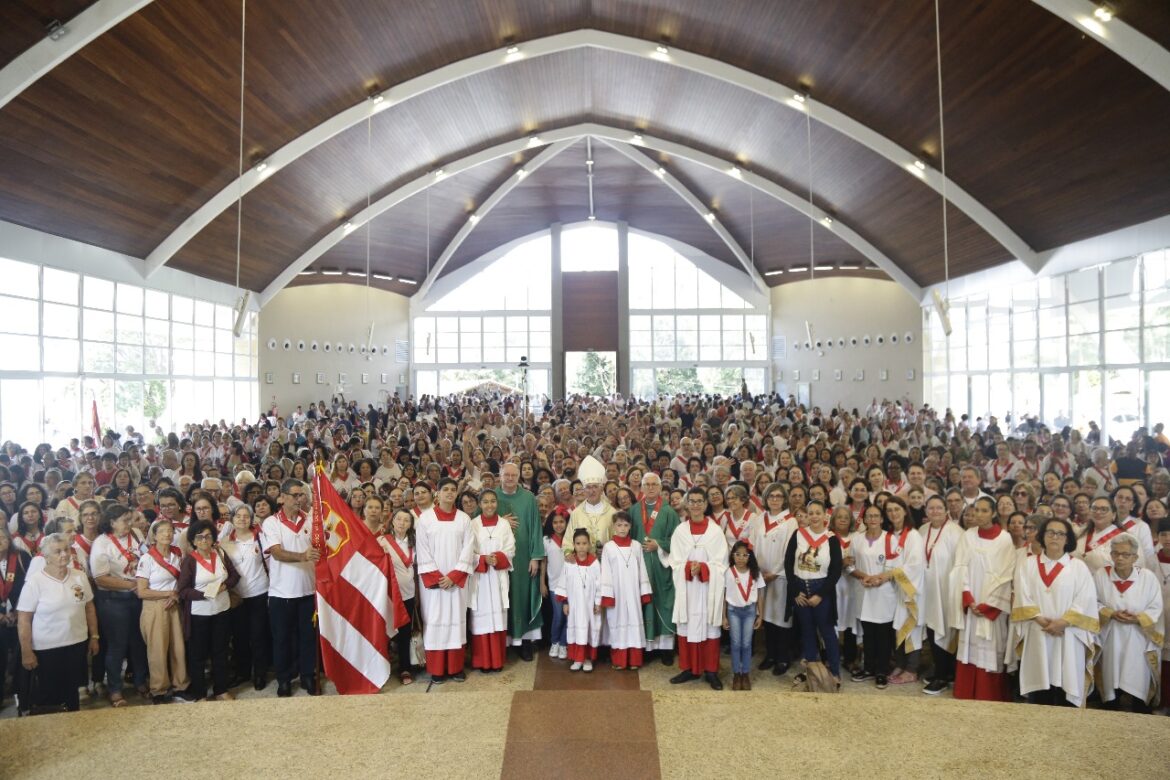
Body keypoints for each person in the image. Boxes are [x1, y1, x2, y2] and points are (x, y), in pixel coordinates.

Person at [1010, 517, 1098, 707]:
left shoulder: (1078, 567)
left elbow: (1086, 599)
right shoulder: (1028, 564)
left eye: (1060, 533)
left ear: (1067, 539)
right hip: (1038, 630)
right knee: (1040, 687)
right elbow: (1022, 594)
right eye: (1050, 532)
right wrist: (1039, 619)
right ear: (1042, 536)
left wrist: (1063, 622)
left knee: (1066, 683)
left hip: (1069, 633)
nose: (1054, 537)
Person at [16, 533, 99, 713]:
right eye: (57, 551)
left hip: (76, 643)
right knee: (50, 696)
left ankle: (73, 721)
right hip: (47, 648)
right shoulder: (35, 582)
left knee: (72, 691)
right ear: (46, 557)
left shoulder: (79, 576)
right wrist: (26, 651)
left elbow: (89, 608)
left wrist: (94, 636)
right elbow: (24, 619)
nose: (64, 554)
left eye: (66, 549)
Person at [950, 495, 1015, 702]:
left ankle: (989, 693)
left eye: (984, 511)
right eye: (976, 510)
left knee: (992, 646)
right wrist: (968, 597)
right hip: (972, 601)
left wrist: (990, 606)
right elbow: (960, 567)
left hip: (992, 603)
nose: (979, 514)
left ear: (994, 513)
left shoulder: (1004, 539)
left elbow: (1007, 574)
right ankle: (966, 690)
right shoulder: (968, 536)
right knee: (969, 644)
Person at [261, 478, 319, 697]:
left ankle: (307, 675)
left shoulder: (311, 519)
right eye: (294, 495)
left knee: (308, 637)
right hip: (281, 592)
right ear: (282, 498)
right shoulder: (271, 522)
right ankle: (284, 679)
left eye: (301, 495)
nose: (299, 499)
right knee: (282, 639)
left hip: (308, 589)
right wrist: (302, 556)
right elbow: (276, 553)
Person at [1094, 533, 1164, 712]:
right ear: (1111, 555)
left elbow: (1156, 606)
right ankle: (1110, 711)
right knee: (1112, 679)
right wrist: (1110, 613)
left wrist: (1138, 618)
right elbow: (1092, 602)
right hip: (1111, 636)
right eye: (1116, 553)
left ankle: (1140, 712)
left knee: (1136, 677)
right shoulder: (1101, 575)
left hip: (1138, 638)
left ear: (1135, 557)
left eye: (1125, 554)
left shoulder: (1147, 577)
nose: (1120, 558)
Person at [669, 487, 729, 690]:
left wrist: (703, 568)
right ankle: (689, 669)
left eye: (699, 501)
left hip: (707, 589)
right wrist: (688, 568)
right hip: (687, 588)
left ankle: (711, 671)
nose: (695, 505)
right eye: (692, 501)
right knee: (686, 627)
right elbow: (675, 562)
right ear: (687, 505)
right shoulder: (680, 531)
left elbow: (721, 564)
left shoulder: (715, 532)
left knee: (710, 628)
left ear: (705, 504)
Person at [416, 477, 475, 683]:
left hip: (456, 582)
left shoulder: (464, 519)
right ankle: (437, 669)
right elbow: (422, 550)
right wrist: (438, 577)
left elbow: (468, 549)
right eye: (445, 489)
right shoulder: (425, 519)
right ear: (438, 493)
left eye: (453, 489)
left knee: (456, 622)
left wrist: (454, 576)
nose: (449, 493)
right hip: (434, 583)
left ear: (456, 493)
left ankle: (456, 667)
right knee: (435, 621)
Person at [90, 503, 149, 706]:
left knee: (139, 642)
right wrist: (132, 584)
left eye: (131, 519)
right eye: (125, 520)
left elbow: (146, 557)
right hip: (113, 600)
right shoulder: (102, 543)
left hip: (137, 598)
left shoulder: (137, 535)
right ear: (112, 522)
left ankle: (141, 681)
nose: (130, 523)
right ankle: (115, 688)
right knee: (117, 645)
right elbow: (100, 579)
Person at [178, 518, 239, 701]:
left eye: (208, 536)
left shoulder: (220, 553)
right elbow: (183, 590)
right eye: (199, 537)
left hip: (222, 610)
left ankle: (221, 690)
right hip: (200, 614)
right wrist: (203, 594)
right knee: (198, 654)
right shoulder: (190, 561)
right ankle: (200, 692)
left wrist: (224, 586)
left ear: (213, 538)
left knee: (220, 651)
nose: (204, 540)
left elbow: (234, 576)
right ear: (193, 540)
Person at [135, 518, 194, 704]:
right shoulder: (147, 559)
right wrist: (168, 593)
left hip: (175, 604)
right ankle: (159, 690)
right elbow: (142, 591)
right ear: (154, 536)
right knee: (158, 650)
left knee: (178, 647)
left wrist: (176, 595)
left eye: (170, 530)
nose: (167, 534)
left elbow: (184, 581)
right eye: (162, 531)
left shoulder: (177, 554)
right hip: (155, 606)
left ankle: (180, 686)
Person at [785, 499, 842, 687]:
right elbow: (788, 563)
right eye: (811, 513)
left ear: (825, 515)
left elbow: (836, 571)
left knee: (827, 632)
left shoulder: (831, 539)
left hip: (821, 589)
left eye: (818, 513)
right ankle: (810, 671)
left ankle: (834, 672)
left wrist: (821, 595)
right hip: (801, 588)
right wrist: (795, 591)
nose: (814, 516)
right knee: (807, 631)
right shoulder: (798, 534)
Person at [628, 472, 681, 665]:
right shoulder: (634, 510)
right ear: (641, 487)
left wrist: (658, 544)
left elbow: (678, 540)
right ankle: (648, 647)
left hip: (661, 566)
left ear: (660, 488)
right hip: (641, 565)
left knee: (665, 602)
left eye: (654, 484)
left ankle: (666, 648)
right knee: (645, 603)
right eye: (647, 484)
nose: (650, 488)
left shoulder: (669, 512)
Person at [495, 462, 544, 661]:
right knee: (502, 597)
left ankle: (524, 642)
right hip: (499, 558)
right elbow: (480, 522)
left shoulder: (528, 497)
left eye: (513, 475)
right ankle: (504, 642)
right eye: (506, 475)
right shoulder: (492, 497)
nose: (510, 478)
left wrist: (535, 557)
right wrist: (501, 521)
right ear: (500, 476)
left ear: (518, 477)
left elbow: (535, 527)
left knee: (522, 596)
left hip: (523, 557)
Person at [220, 504, 270, 690]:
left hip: (259, 592)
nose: (242, 519)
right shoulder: (224, 542)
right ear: (232, 519)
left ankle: (260, 673)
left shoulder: (260, 537)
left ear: (251, 519)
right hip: (237, 596)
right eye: (238, 516)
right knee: (240, 637)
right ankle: (243, 672)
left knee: (258, 636)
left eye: (246, 516)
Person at [751, 483, 798, 675]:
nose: (775, 499)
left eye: (779, 496)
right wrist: (756, 571)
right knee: (766, 616)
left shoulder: (791, 522)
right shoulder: (759, 519)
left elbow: (790, 551)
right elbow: (752, 545)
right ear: (766, 498)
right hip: (761, 576)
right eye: (771, 496)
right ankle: (770, 655)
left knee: (781, 618)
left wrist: (776, 572)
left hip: (780, 577)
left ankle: (782, 658)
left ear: (784, 499)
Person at [918, 494, 963, 695]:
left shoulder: (956, 533)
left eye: (938, 507)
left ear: (946, 510)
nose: (934, 511)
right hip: (927, 591)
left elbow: (960, 565)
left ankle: (943, 675)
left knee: (944, 631)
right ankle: (941, 670)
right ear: (926, 511)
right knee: (931, 629)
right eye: (931, 508)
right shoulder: (922, 530)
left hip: (946, 591)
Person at [849, 504, 896, 688]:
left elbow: (895, 567)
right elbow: (849, 565)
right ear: (864, 519)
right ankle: (868, 668)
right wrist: (864, 577)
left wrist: (879, 579)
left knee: (883, 634)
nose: (873, 519)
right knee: (868, 633)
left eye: (876, 516)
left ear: (882, 519)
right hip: (864, 591)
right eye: (869, 516)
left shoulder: (890, 539)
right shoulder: (857, 539)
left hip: (884, 593)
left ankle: (882, 671)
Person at [468, 490, 514, 673]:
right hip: (479, 579)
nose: (489, 505)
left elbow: (511, 548)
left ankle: (497, 661)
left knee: (498, 618)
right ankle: (483, 662)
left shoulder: (504, 524)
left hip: (497, 577)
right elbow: (467, 552)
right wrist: (482, 559)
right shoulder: (472, 524)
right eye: (485, 502)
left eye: (493, 501)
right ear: (480, 504)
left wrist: (499, 558)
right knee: (481, 619)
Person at [599, 511, 652, 671]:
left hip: (633, 592)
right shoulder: (608, 547)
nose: (622, 528)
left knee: (634, 622)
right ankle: (619, 660)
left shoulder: (636, 546)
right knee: (617, 623)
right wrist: (607, 596)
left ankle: (635, 660)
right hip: (617, 593)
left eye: (626, 525)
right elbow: (605, 572)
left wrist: (644, 592)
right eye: (619, 525)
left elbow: (642, 568)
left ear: (630, 527)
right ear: (613, 527)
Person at [884, 497, 926, 685]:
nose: (893, 513)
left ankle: (911, 669)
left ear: (904, 511)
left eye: (897, 509)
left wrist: (890, 574)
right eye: (889, 510)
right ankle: (900, 664)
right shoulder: (888, 535)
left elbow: (915, 565)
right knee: (897, 627)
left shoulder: (913, 536)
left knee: (911, 628)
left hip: (910, 590)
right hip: (893, 590)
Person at [555, 528, 602, 672]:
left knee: (588, 630)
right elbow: (563, 583)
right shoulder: (570, 562)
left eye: (584, 543)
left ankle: (587, 659)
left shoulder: (594, 563)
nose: (581, 547)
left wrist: (597, 603)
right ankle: (577, 659)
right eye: (578, 543)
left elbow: (599, 584)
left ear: (589, 544)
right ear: (574, 545)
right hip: (575, 605)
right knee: (576, 630)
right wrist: (565, 602)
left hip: (589, 606)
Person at [381, 509, 418, 684]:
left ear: (410, 524)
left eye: (406, 520)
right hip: (388, 595)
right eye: (399, 519)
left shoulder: (415, 542)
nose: (402, 523)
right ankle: (382, 667)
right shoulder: (383, 541)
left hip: (408, 594)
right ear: (392, 521)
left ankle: (405, 668)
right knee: (385, 632)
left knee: (405, 633)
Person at [723, 540, 765, 691]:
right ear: (732, 555)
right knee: (735, 643)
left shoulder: (755, 573)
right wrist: (724, 616)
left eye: (745, 555)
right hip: (733, 611)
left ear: (750, 557)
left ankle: (745, 674)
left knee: (746, 644)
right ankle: (736, 674)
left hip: (749, 612)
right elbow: (724, 596)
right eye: (738, 554)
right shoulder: (728, 572)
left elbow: (760, 595)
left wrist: (760, 615)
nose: (741, 558)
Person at [0, 526, 30, 708]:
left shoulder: (21, 556)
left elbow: (31, 584)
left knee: (22, 659)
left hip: (21, 616)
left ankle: (24, 698)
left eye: (2, 537)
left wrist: (20, 611)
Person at [564, 455, 616, 555]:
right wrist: (568, 552)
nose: (592, 491)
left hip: (607, 560)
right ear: (584, 490)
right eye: (588, 487)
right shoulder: (576, 513)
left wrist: (607, 550)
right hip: (583, 560)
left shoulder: (612, 513)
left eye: (595, 487)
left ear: (601, 489)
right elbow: (568, 541)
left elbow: (618, 539)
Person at [542, 505, 569, 659]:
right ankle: (555, 641)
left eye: (561, 522)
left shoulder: (570, 539)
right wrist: (542, 583)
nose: (559, 525)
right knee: (558, 615)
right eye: (555, 522)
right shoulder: (546, 540)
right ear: (551, 524)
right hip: (554, 585)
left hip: (570, 585)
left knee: (568, 616)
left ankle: (564, 643)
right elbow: (544, 563)